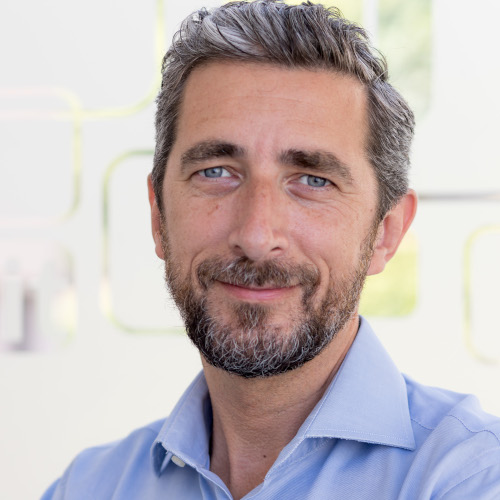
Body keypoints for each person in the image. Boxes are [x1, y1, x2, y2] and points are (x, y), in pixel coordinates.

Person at [42, 1, 500, 499]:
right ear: (158, 215)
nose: (257, 237)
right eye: (215, 172)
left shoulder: (473, 478)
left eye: (312, 180)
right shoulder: (87, 486)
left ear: (386, 233)